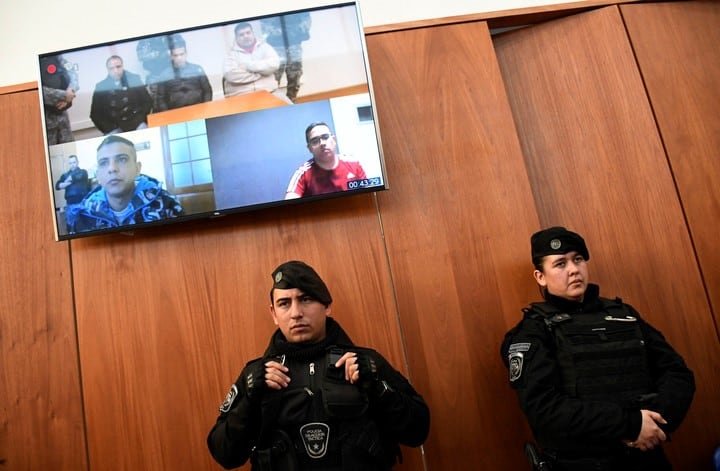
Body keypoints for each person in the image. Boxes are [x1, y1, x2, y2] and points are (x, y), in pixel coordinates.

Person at [500, 226, 695, 471]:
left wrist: (653, 424)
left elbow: (677, 374)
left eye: (578, 259)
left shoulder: (624, 315)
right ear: (540, 276)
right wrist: (630, 425)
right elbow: (545, 410)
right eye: (560, 264)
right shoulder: (532, 332)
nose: (573, 270)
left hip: (647, 458)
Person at [207, 260, 430, 470]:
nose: (296, 313)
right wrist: (249, 399)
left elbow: (418, 431)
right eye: (284, 303)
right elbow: (224, 454)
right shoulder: (256, 376)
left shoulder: (365, 363)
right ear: (274, 314)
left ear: (327, 306)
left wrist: (377, 387)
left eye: (306, 299)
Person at [66, 135, 184, 234]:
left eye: (122, 159)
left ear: (137, 168)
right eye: (103, 163)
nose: (112, 168)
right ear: (98, 175)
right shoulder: (83, 215)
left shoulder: (167, 204)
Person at [285, 122, 367, 199]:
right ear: (309, 148)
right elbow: (290, 201)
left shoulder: (353, 164)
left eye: (325, 137)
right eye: (315, 141)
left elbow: (368, 193)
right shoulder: (303, 173)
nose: (322, 143)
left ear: (334, 140)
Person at [89, 55, 153, 134]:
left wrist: (140, 119)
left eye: (118, 67)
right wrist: (109, 128)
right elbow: (95, 114)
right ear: (108, 70)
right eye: (111, 68)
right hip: (114, 126)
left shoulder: (134, 79)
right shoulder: (101, 87)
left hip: (136, 122)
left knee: (145, 133)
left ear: (122, 66)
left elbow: (147, 101)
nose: (116, 71)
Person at [260, 12, 312, 102]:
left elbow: (306, 19)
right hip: (275, 45)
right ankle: (272, 103)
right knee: (274, 77)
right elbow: (265, 24)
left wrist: (293, 31)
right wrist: (279, 32)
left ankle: (291, 102)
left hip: (294, 43)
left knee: (295, 76)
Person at [154, 34, 213, 111]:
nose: (179, 58)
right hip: (176, 113)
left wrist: (205, 108)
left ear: (186, 54)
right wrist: (168, 115)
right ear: (171, 56)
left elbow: (207, 91)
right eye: (176, 55)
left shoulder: (197, 69)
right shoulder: (165, 75)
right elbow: (160, 99)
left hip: (198, 110)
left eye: (181, 54)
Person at [222, 22, 281, 98]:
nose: (245, 36)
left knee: (289, 105)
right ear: (236, 37)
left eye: (248, 33)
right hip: (241, 96)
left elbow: (274, 64)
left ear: (253, 33)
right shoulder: (230, 54)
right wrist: (261, 73)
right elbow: (230, 75)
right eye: (241, 35)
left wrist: (248, 66)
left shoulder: (265, 47)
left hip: (270, 92)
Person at [40, 54, 78, 145]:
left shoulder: (57, 57)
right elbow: (38, 91)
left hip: (62, 118)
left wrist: (71, 91)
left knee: (70, 152)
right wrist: (65, 95)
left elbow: (73, 72)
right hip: (44, 122)